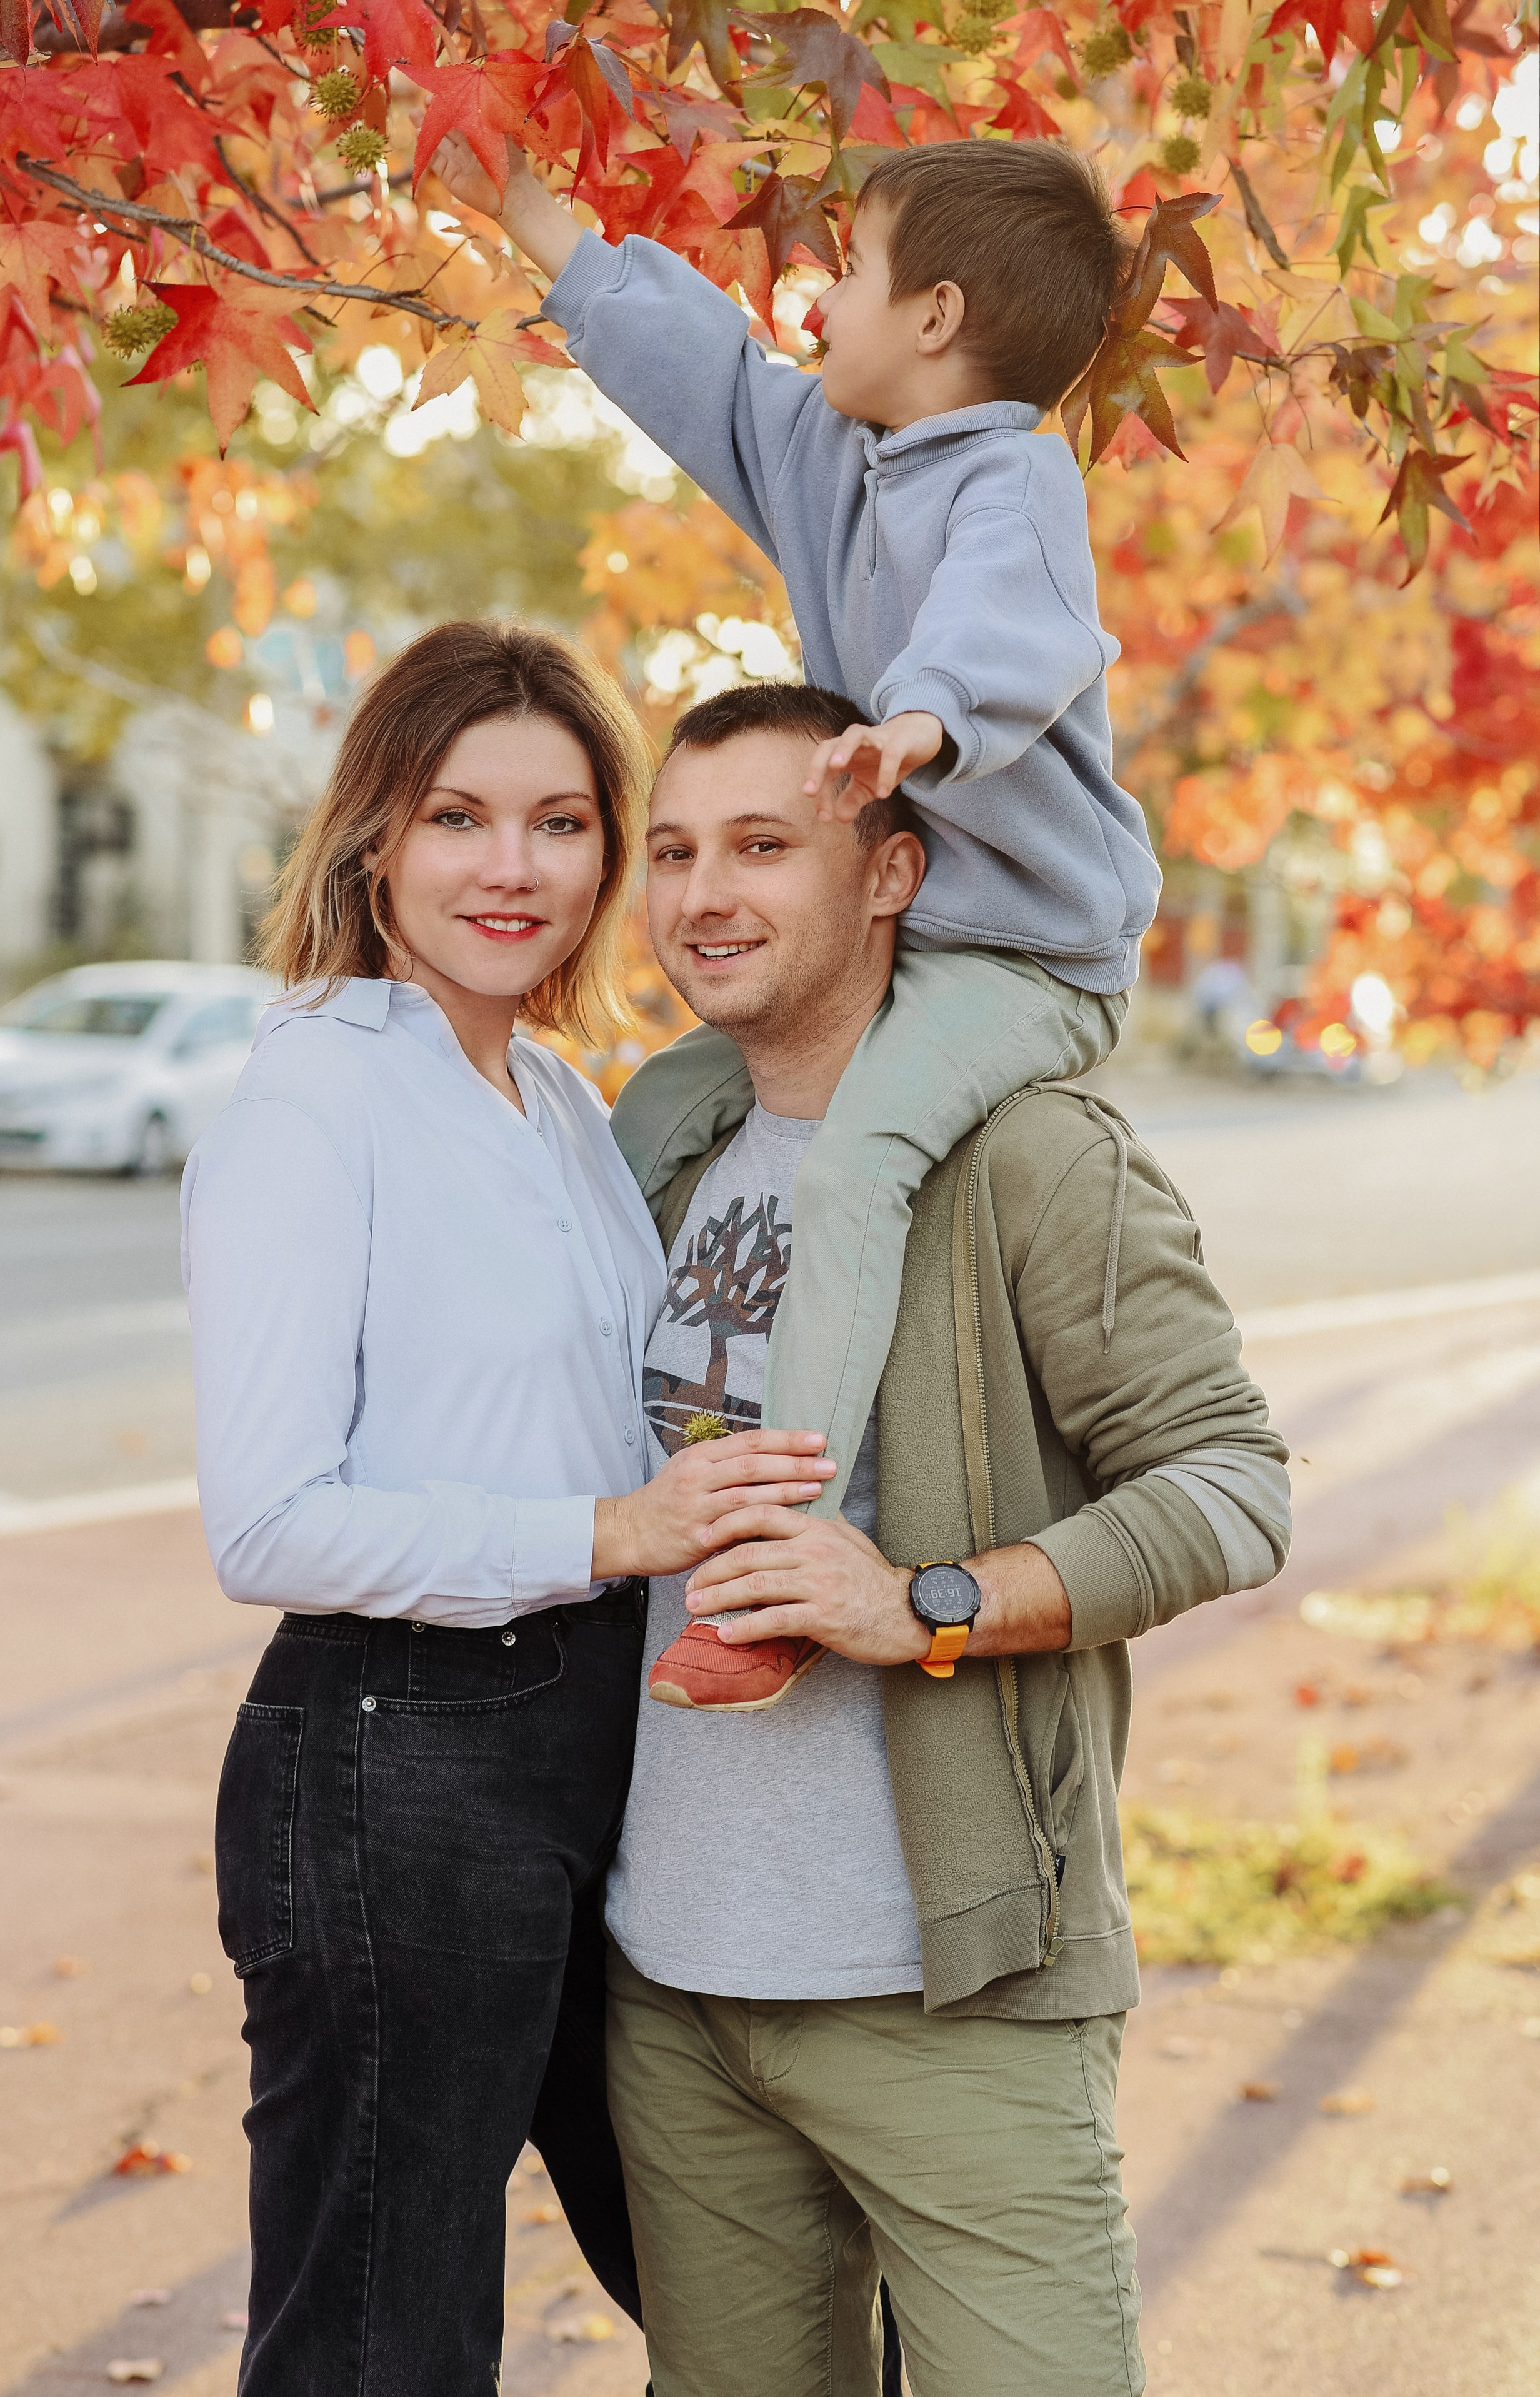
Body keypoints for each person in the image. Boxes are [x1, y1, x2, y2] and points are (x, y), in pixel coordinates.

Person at [601, 680, 1292, 2396]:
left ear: (891, 873)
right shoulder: (670, 1150)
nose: (705, 894)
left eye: (766, 845)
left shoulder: (1030, 1155)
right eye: (675, 850)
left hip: (950, 1989)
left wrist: (922, 1600)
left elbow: (1231, 1483)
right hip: (673, 1987)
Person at [431, 131, 1162, 1709]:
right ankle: (553, 1454)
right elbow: (706, 371)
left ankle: (769, 1579)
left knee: (851, 1175)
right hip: (911, 931)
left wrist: (920, 729)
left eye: (856, 267)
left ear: (937, 315)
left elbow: (1013, 627)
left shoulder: (1012, 478)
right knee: (653, 1112)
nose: (815, 295)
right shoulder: (840, 457)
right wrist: (535, 214)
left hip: (1020, 955)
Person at [182, 623, 831, 2393]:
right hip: (394, 1756)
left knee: (730, 2270)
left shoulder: (553, 1096)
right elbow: (271, 1522)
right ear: (375, 834)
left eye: (560, 823)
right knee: (387, 2337)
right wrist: (614, 1533)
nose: (512, 867)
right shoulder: (312, 1101)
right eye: (461, 815)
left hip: (593, 1747)